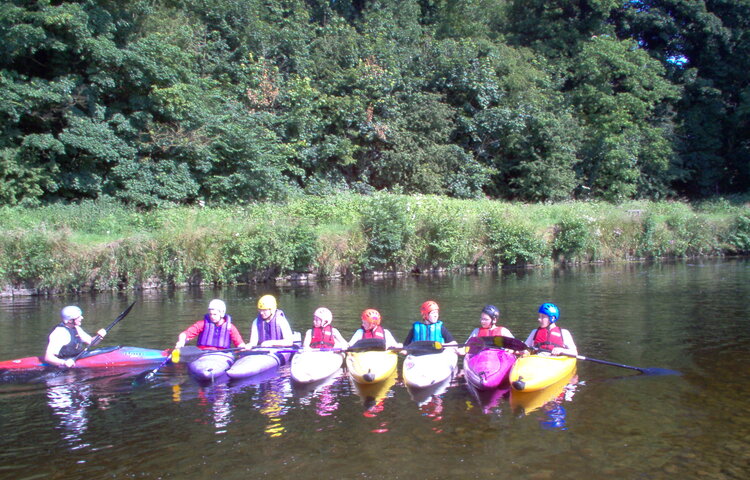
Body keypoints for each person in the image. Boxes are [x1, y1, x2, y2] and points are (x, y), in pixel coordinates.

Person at [174, 299, 246, 350]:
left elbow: (240, 344)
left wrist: (243, 347)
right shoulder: (202, 324)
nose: (212, 316)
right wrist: (181, 341)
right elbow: (185, 334)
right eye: (210, 314)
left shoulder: (230, 327)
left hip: (222, 355)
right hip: (202, 354)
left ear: (222, 313)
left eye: (215, 314)